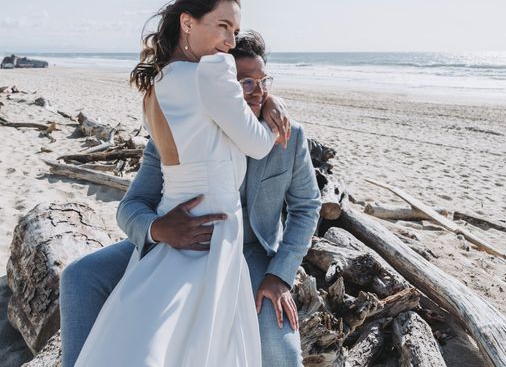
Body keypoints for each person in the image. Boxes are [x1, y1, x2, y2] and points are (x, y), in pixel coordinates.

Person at [60, 24, 321, 366]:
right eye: (245, 82)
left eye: (264, 82)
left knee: (278, 350)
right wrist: (158, 229)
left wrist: (280, 274)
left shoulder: (288, 135)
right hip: (180, 244)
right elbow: (131, 207)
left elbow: (307, 207)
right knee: (80, 277)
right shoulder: (178, 130)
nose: (258, 92)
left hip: (252, 253)